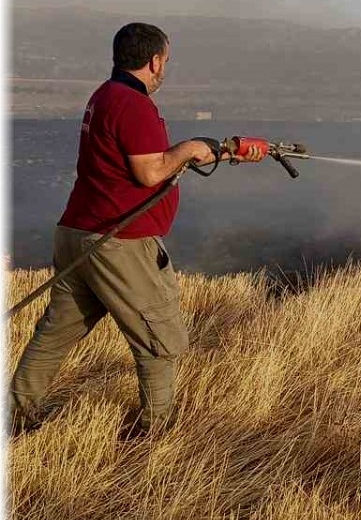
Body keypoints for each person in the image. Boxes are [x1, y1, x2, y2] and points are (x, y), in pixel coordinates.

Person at [9, 22, 265, 438]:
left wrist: (223, 151)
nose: (165, 68)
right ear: (155, 60)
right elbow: (150, 172)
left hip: (78, 232)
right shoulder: (134, 105)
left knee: (56, 332)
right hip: (118, 243)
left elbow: (144, 161)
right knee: (161, 342)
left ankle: (16, 414)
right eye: (166, 60)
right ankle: (154, 434)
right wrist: (188, 148)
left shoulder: (105, 95)